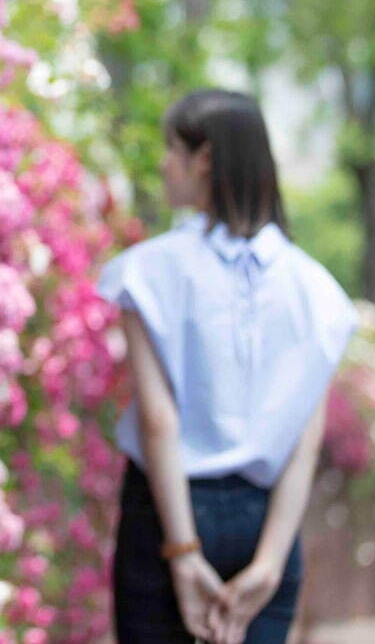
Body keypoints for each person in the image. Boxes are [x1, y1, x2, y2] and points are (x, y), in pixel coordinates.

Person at [100, 89, 358, 644]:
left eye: (173, 149)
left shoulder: (147, 272)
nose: (165, 164)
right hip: (267, 519)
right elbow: (303, 442)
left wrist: (183, 552)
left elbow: (160, 423)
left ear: (206, 158)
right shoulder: (316, 290)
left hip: (166, 511)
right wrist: (270, 562)